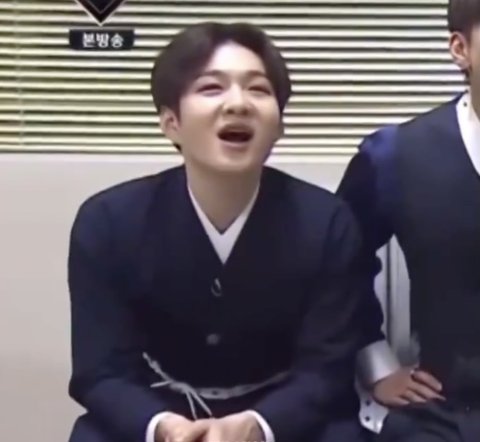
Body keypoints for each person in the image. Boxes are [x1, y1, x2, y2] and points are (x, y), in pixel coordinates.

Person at [67, 22, 372, 442]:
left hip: (285, 417)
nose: (238, 104)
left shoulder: (328, 222)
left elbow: (326, 371)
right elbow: (100, 373)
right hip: (158, 412)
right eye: (211, 88)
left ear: (279, 124)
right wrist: (165, 428)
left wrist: (258, 426)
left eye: (258, 90)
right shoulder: (107, 222)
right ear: (171, 122)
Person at [337, 0, 480, 440]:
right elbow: (335, 265)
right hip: (449, 410)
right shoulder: (394, 156)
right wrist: (376, 365)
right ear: (461, 49)